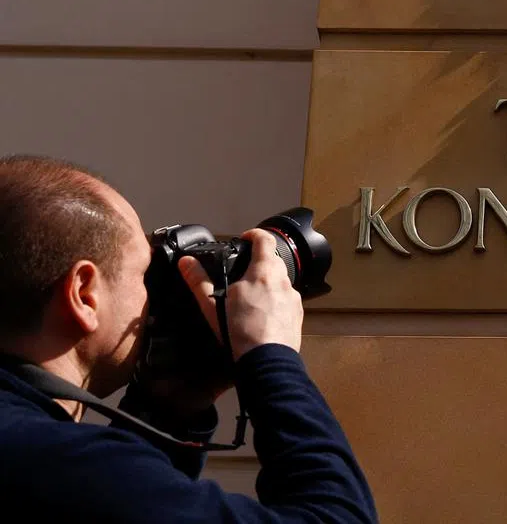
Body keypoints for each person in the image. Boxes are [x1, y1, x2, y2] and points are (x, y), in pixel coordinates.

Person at [0, 153, 378, 522]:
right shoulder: (66, 464)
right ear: (85, 294)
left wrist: (169, 407)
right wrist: (272, 356)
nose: (156, 296)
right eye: (145, 272)